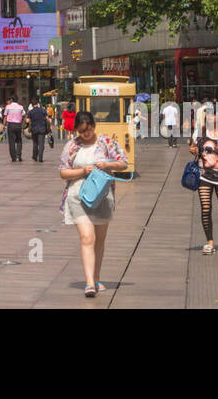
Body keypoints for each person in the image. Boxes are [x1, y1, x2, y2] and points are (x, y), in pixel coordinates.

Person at [58, 110, 128, 298]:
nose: (85, 135)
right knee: (87, 237)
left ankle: (96, 277)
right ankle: (89, 283)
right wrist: (82, 171)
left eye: (87, 130)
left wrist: (107, 165)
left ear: (93, 126)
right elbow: (63, 172)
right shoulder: (72, 146)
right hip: (78, 196)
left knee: (99, 239)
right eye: (81, 132)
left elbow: (124, 163)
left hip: (102, 196)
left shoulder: (106, 143)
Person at [189, 113, 218, 254]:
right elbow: (193, 148)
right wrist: (193, 150)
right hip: (204, 177)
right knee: (205, 208)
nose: (210, 117)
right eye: (208, 115)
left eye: (214, 114)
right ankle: (209, 242)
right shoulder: (200, 132)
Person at [3, 97, 26, 162]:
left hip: (10, 125)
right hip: (18, 125)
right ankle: (19, 156)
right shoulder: (21, 107)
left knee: (11, 142)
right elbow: (24, 114)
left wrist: (4, 125)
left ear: (11, 100)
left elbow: (5, 116)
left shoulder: (8, 106)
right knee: (19, 140)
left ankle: (13, 157)